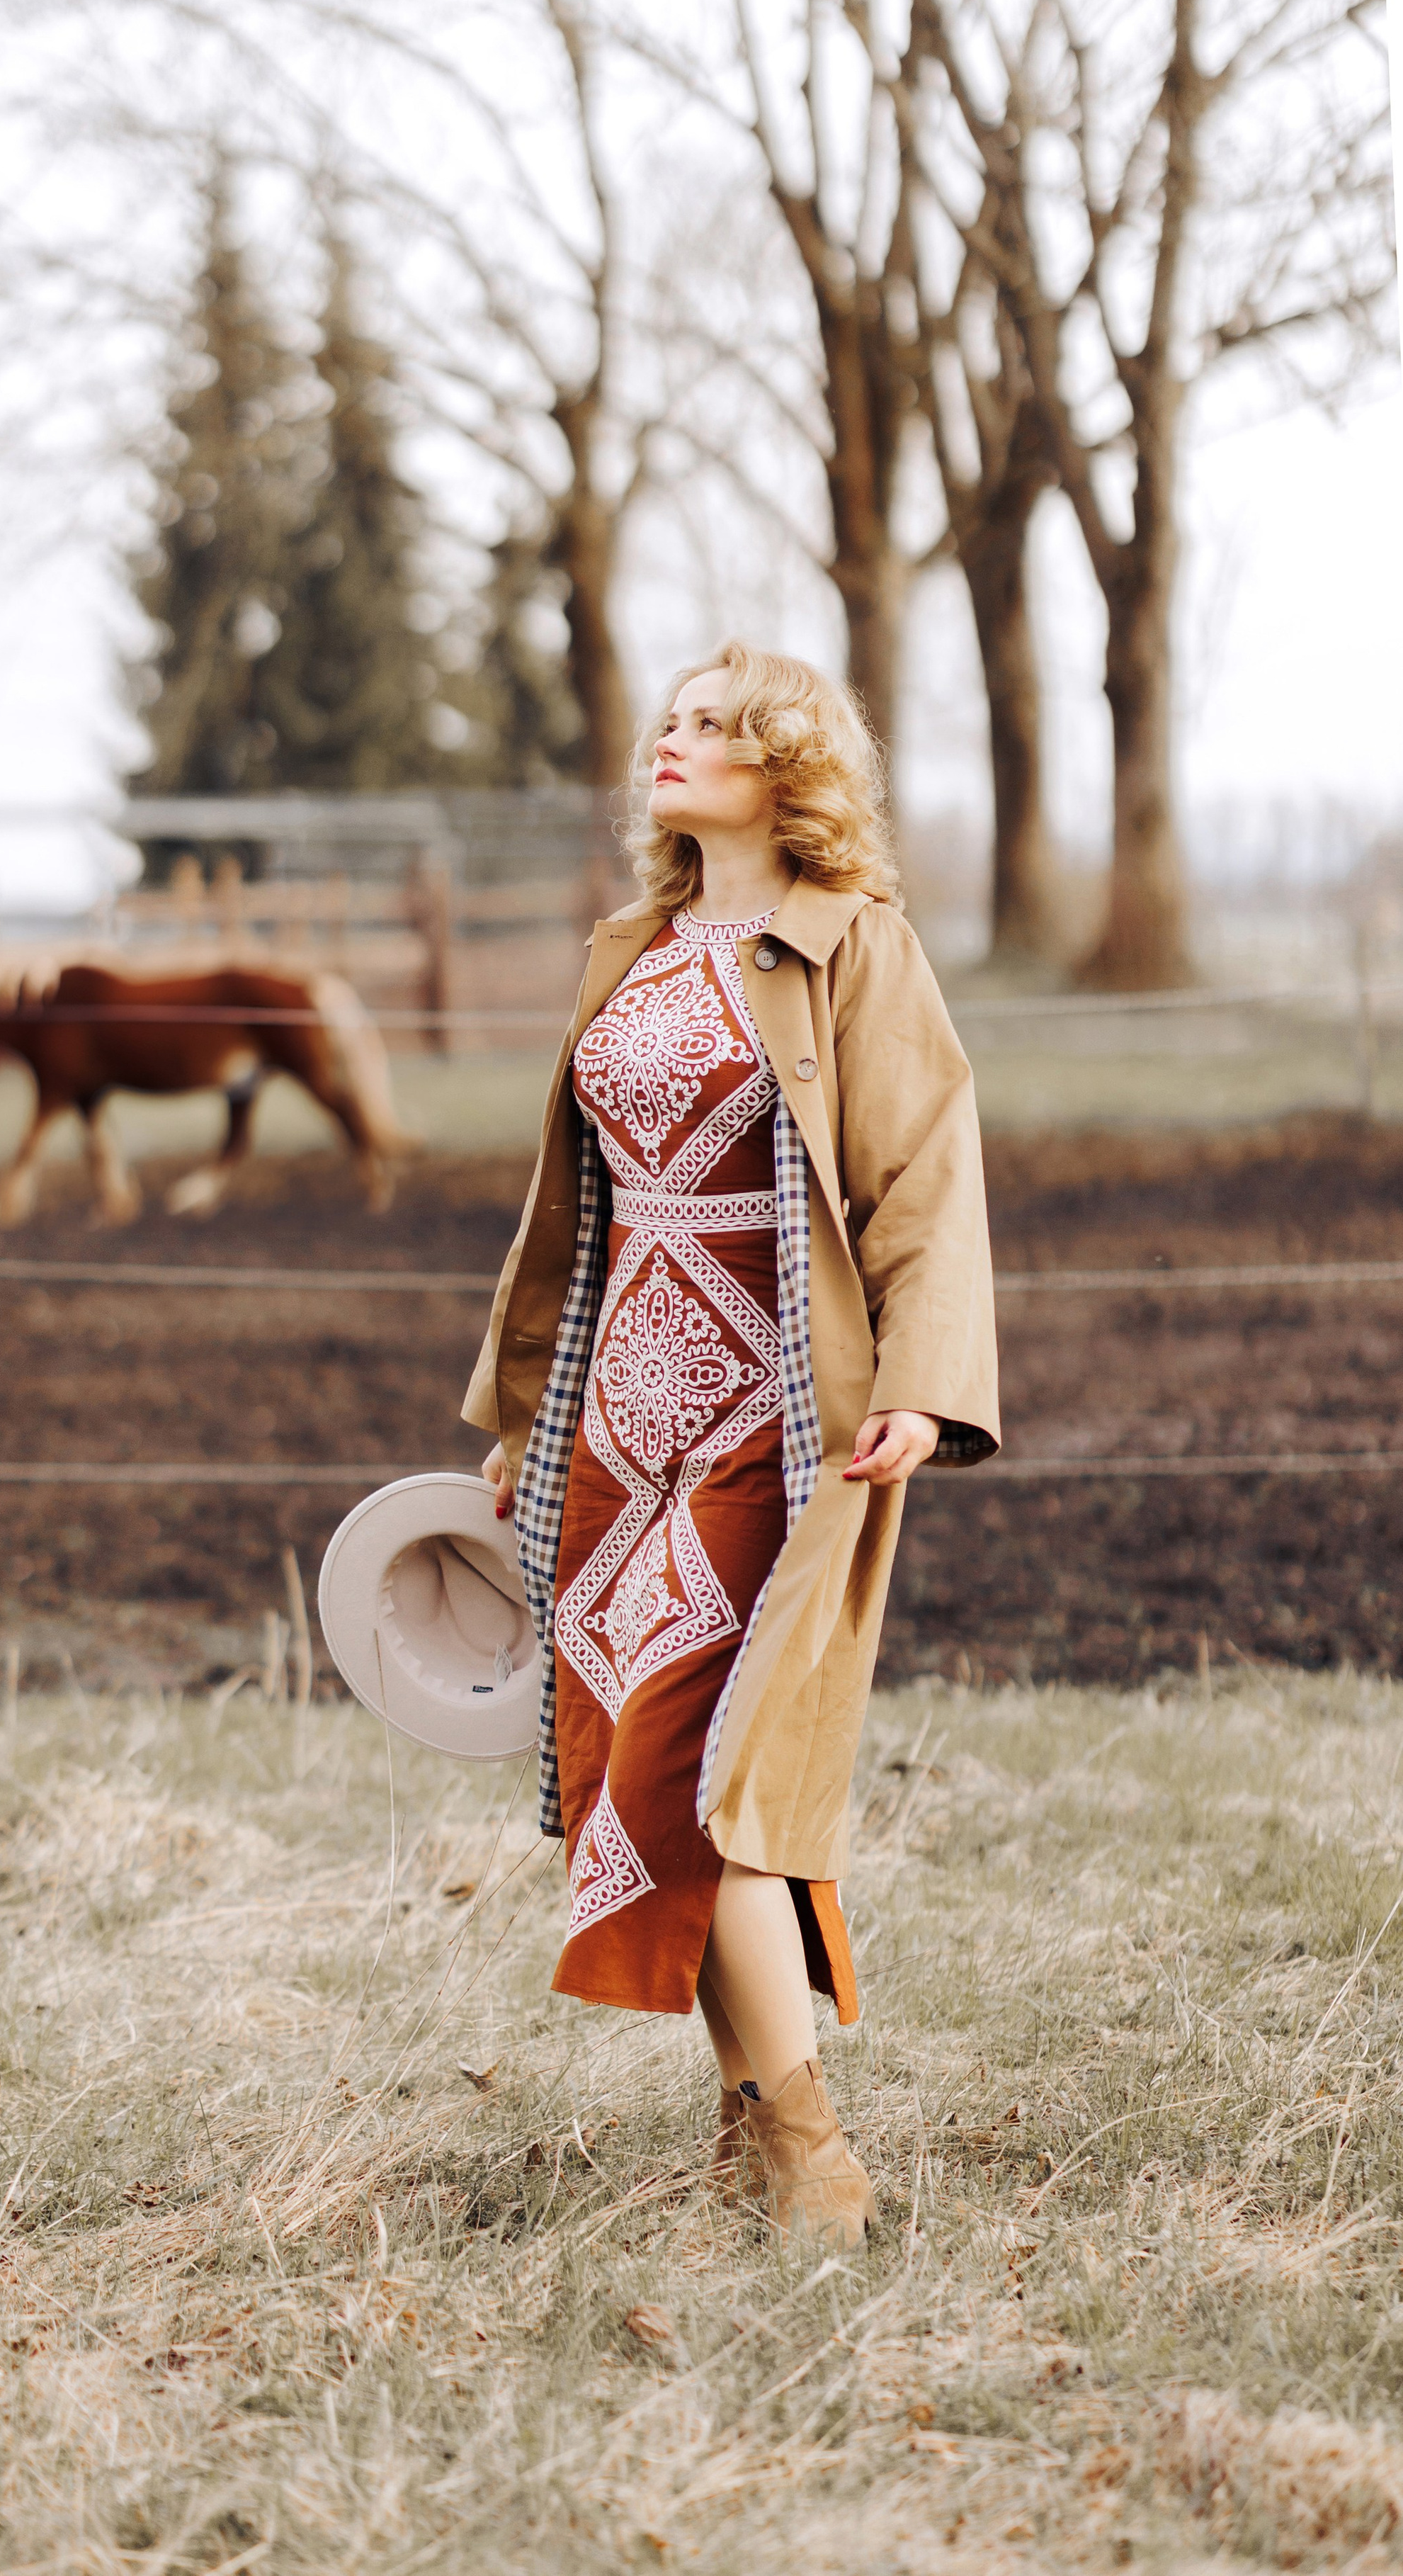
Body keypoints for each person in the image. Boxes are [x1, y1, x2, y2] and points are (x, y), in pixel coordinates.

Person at [463, 642, 1000, 2245]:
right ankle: (757, 2134)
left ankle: (813, 2168)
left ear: (785, 768)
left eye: (711, 729)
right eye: (668, 724)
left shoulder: (849, 946)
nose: (669, 745)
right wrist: (517, 1420)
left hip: (774, 1421)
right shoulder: (627, 949)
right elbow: (569, 1210)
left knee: (705, 1775)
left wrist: (922, 1379)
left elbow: (922, 1178)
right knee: (640, 1778)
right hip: (617, 1424)